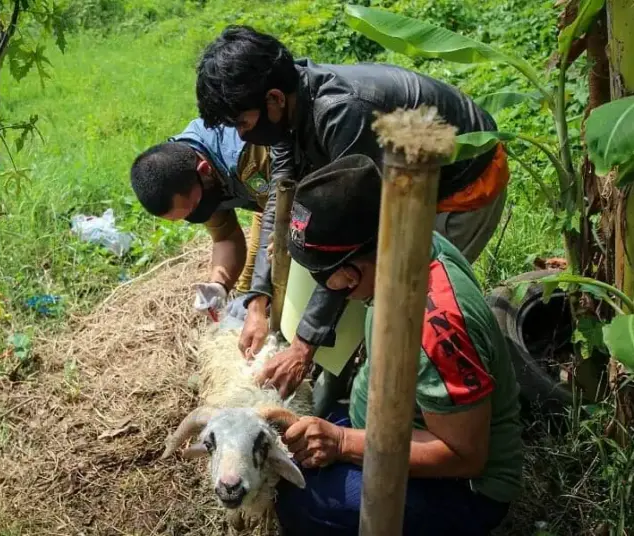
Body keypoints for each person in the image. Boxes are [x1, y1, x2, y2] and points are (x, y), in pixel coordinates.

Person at [195, 25, 511, 410]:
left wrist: (302, 347)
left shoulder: (343, 113)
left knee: (406, 300)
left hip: (460, 185)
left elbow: (353, 236)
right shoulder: (289, 105)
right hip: (398, 183)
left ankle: (428, 405)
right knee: (358, 287)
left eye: (242, 124)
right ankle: (349, 377)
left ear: (273, 99)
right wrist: (258, 298)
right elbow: (281, 197)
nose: (243, 136)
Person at [272, 154, 523, 535]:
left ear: (365, 257)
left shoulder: (431, 327)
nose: (327, 290)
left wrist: (342, 442)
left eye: (328, 279)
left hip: (463, 489)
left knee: (299, 498)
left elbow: (465, 455)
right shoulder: (409, 240)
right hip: (400, 430)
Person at [129, 118, 272, 319]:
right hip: (266, 202)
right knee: (249, 291)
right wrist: (218, 285)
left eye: (195, 207)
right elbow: (225, 236)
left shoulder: (250, 157)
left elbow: (288, 222)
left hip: (300, 188)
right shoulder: (190, 179)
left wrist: (261, 297)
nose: (197, 215)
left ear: (204, 170)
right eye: (186, 216)